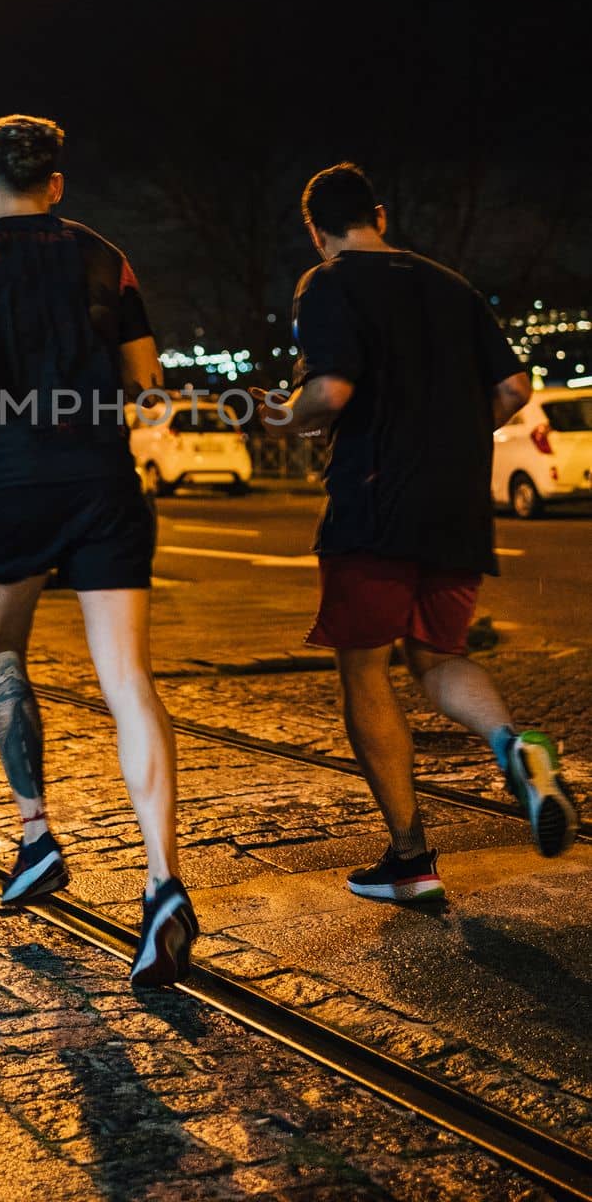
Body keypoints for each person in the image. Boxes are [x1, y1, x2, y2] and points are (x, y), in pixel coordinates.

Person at [0, 114, 197, 986]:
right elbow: (147, 383)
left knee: (3, 656)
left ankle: (36, 837)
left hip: (12, 481)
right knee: (128, 681)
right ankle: (163, 885)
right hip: (103, 482)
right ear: (57, 184)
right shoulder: (106, 256)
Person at [256, 162, 579, 902]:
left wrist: (286, 417)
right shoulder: (449, 284)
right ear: (378, 214)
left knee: (364, 670)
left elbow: (330, 390)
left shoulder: (327, 283)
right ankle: (513, 746)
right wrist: (454, 444)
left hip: (373, 502)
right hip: (456, 503)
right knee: (438, 656)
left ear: (315, 228)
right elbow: (512, 389)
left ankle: (409, 859)